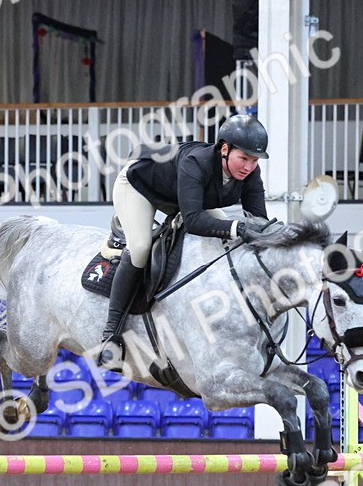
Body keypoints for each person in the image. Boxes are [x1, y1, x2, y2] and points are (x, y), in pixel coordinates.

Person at [99, 114, 275, 352]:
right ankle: (111, 332)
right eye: (243, 158)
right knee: (140, 248)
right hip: (139, 186)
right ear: (224, 149)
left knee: (224, 238)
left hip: (180, 194)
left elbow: (259, 220)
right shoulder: (196, 162)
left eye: (254, 160)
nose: (248, 167)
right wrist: (239, 228)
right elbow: (193, 221)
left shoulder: (251, 173)